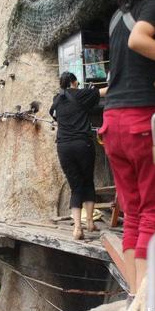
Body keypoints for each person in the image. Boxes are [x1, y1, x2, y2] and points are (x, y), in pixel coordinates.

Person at [98, 0, 155, 299]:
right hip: (143, 122)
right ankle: (148, 300)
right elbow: (140, 41)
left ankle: (134, 296)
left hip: (112, 123)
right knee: (151, 211)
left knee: (131, 213)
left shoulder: (118, 17)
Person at [49, 72, 101, 240]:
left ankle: (77, 228)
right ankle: (90, 224)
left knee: (75, 187)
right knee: (87, 182)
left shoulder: (57, 99)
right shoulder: (80, 93)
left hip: (63, 147)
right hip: (82, 144)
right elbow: (102, 93)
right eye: (76, 83)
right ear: (73, 82)